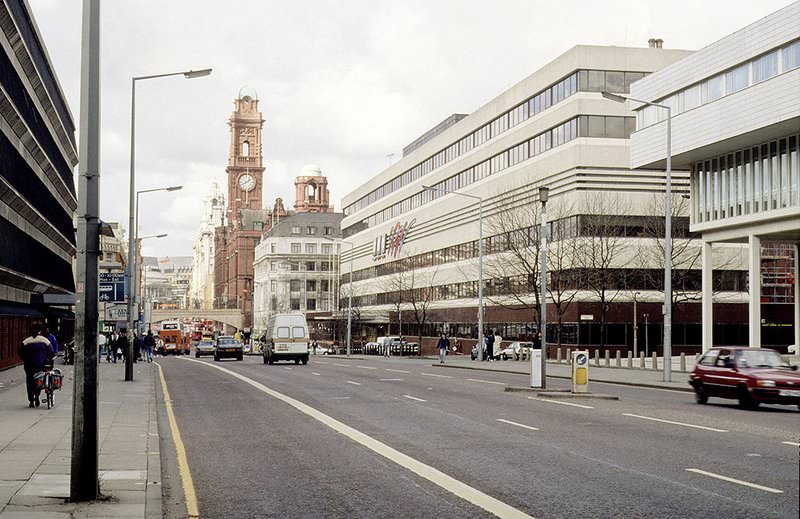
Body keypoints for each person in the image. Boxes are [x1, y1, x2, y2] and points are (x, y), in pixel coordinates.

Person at [19, 326, 54, 408]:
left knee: (30, 382)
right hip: (41, 365)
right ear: (40, 331)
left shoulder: (26, 341)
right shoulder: (45, 341)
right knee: (39, 381)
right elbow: (51, 353)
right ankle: (37, 396)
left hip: (29, 366)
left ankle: (31, 400)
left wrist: (26, 360)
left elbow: (20, 352)